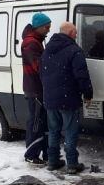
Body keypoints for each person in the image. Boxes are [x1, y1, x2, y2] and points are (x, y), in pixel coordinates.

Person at [40, 21, 93, 172]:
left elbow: (42, 73)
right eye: (75, 32)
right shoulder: (74, 50)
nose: (77, 34)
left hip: (50, 98)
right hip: (68, 98)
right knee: (70, 131)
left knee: (54, 131)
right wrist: (88, 93)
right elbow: (82, 75)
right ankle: (72, 164)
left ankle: (53, 161)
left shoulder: (47, 50)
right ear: (70, 33)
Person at [21, 12, 52, 164]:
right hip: (35, 89)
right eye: (47, 27)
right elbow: (38, 66)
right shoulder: (31, 43)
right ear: (39, 27)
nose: (48, 30)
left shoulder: (37, 40)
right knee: (36, 122)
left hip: (38, 88)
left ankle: (44, 152)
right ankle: (31, 154)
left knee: (41, 121)